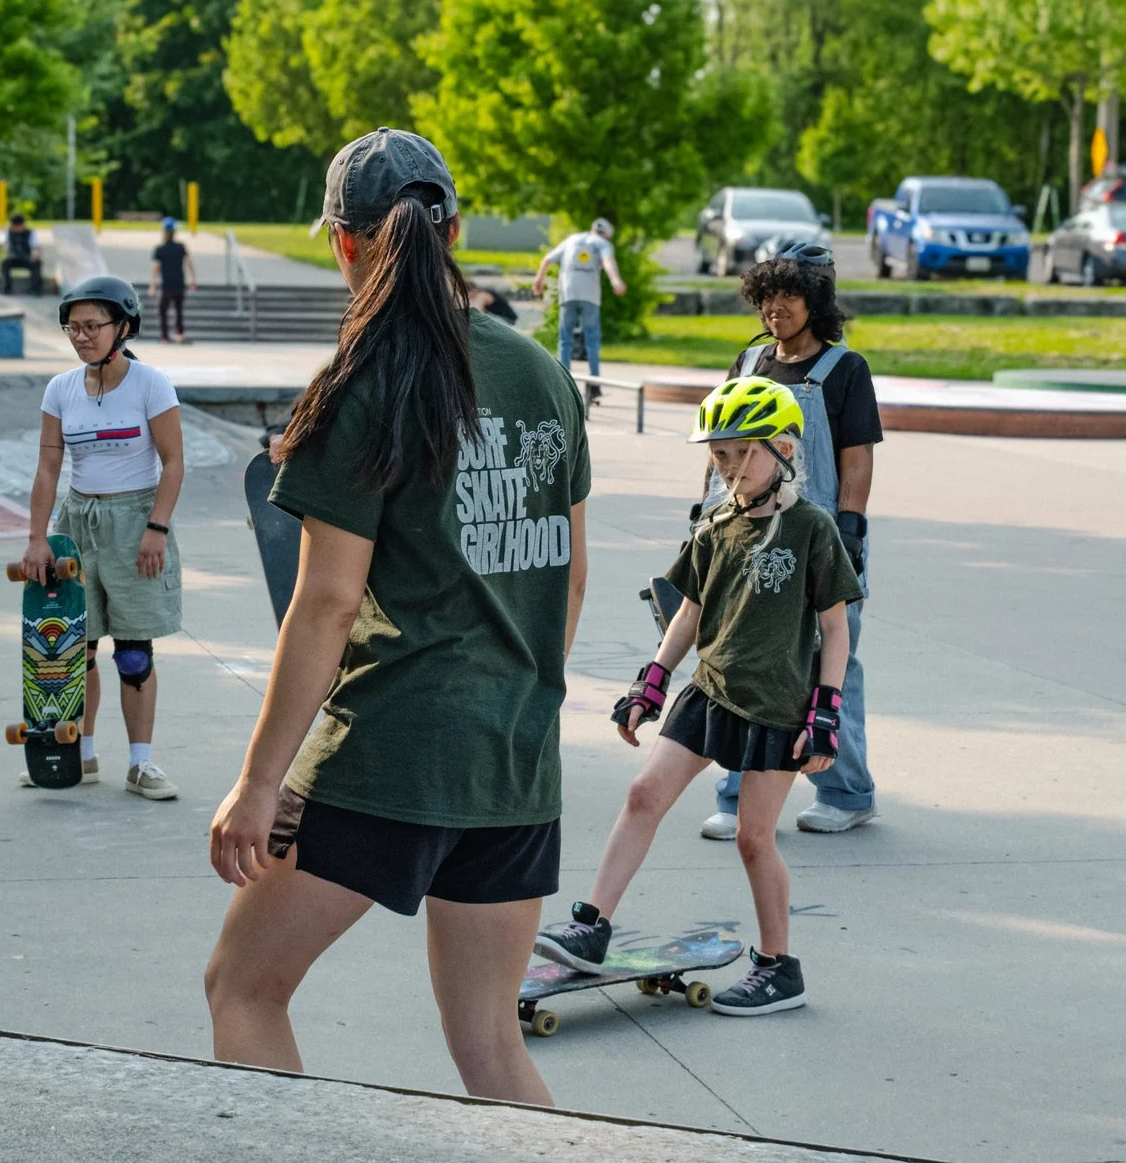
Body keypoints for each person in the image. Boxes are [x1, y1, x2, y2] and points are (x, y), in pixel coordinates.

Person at [203, 127, 591, 1105]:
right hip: (514, 756)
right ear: (453, 229)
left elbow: (326, 600)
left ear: (343, 244)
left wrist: (258, 783)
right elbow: (571, 575)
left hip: (391, 751)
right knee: (492, 1047)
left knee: (242, 986)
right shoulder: (541, 373)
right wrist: (519, 697)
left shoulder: (363, 381)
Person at [537, 376, 859, 1016]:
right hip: (708, 690)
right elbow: (687, 614)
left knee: (753, 838)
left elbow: (835, 628)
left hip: (777, 706)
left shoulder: (811, 529)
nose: (731, 468)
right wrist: (649, 683)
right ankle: (592, 924)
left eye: (745, 452)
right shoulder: (714, 526)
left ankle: (779, 967)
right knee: (642, 795)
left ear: (785, 449)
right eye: (720, 455)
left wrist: (825, 716)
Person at [699, 240, 884, 840]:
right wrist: (702, 513)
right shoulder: (749, 366)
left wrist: (850, 530)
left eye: (791, 297)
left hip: (819, 533)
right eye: (768, 297)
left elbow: (855, 461)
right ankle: (737, 794)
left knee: (833, 660)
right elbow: (719, 448)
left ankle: (847, 792)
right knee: (739, 654)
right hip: (744, 530)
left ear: (816, 303)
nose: (777, 309)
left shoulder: (843, 370)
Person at [20, 274, 185, 798]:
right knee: (74, 649)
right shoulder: (61, 388)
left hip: (135, 518)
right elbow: (48, 467)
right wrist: (38, 538)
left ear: (125, 326)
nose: (82, 336)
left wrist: (156, 527)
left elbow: (174, 461)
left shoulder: (150, 384)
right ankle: (79, 756)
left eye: (93, 326)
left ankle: (141, 764)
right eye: (73, 327)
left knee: (133, 651)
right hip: (77, 522)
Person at [532, 216, 626, 395]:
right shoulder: (603, 243)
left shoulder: (571, 240)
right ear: (607, 235)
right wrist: (616, 281)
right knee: (592, 340)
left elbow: (547, 259)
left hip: (568, 293)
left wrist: (538, 281)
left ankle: (563, 384)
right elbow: (608, 262)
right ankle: (594, 387)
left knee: (565, 340)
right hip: (590, 296)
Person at [151, 215, 197, 343]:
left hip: (167, 284)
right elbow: (188, 263)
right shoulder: (181, 247)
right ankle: (180, 331)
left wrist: (153, 285)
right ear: (174, 232)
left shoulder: (159, 249)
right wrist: (192, 279)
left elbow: (156, 268)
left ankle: (165, 336)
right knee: (179, 308)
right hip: (179, 283)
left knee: (163, 310)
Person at [0, 214, 46, 296]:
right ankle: (7, 288)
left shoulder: (30, 233)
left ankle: (36, 290)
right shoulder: (8, 232)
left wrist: (37, 255)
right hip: (12, 258)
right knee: (4, 263)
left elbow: (37, 247)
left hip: (26, 258)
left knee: (37, 263)